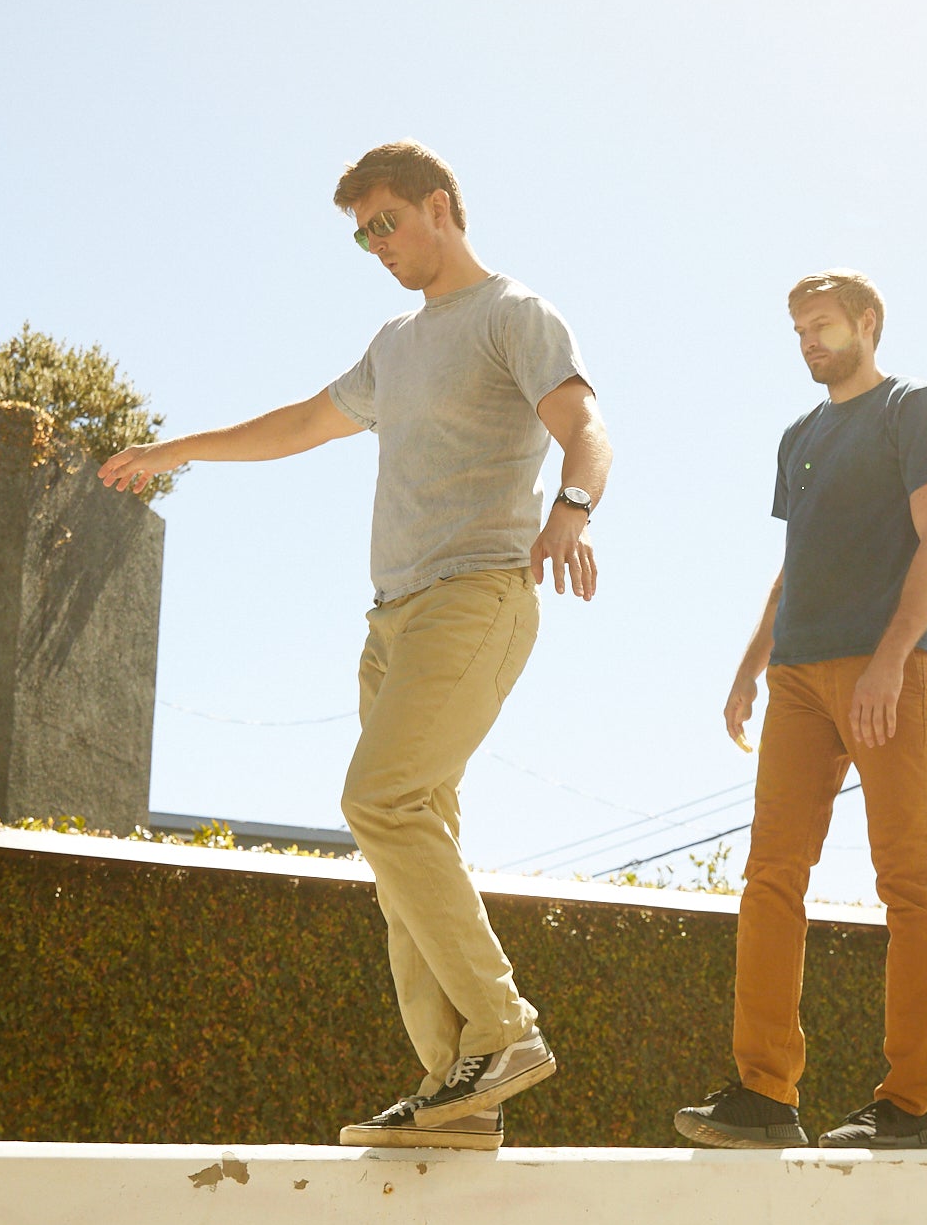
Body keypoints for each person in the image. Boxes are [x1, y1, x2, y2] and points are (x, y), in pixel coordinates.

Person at [100, 141, 610, 1152]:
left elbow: (585, 422)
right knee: (406, 839)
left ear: (440, 206)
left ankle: (504, 1029)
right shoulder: (394, 344)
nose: (376, 245)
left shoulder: (514, 313)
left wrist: (575, 507)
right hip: (393, 622)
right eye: (361, 233)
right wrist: (177, 450)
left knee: (377, 799)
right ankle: (455, 1092)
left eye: (387, 222)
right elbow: (303, 421)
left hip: (477, 596)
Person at [676, 272, 927, 1152]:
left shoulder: (914, 409)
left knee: (908, 885)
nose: (809, 340)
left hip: (893, 672)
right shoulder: (798, 437)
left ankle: (911, 1105)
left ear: (868, 324)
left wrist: (889, 661)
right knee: (770, 877)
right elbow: (795, 562)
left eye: (824, 325)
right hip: (798, 681)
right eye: (799, 328)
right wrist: (747, 668)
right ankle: (766, 1093)